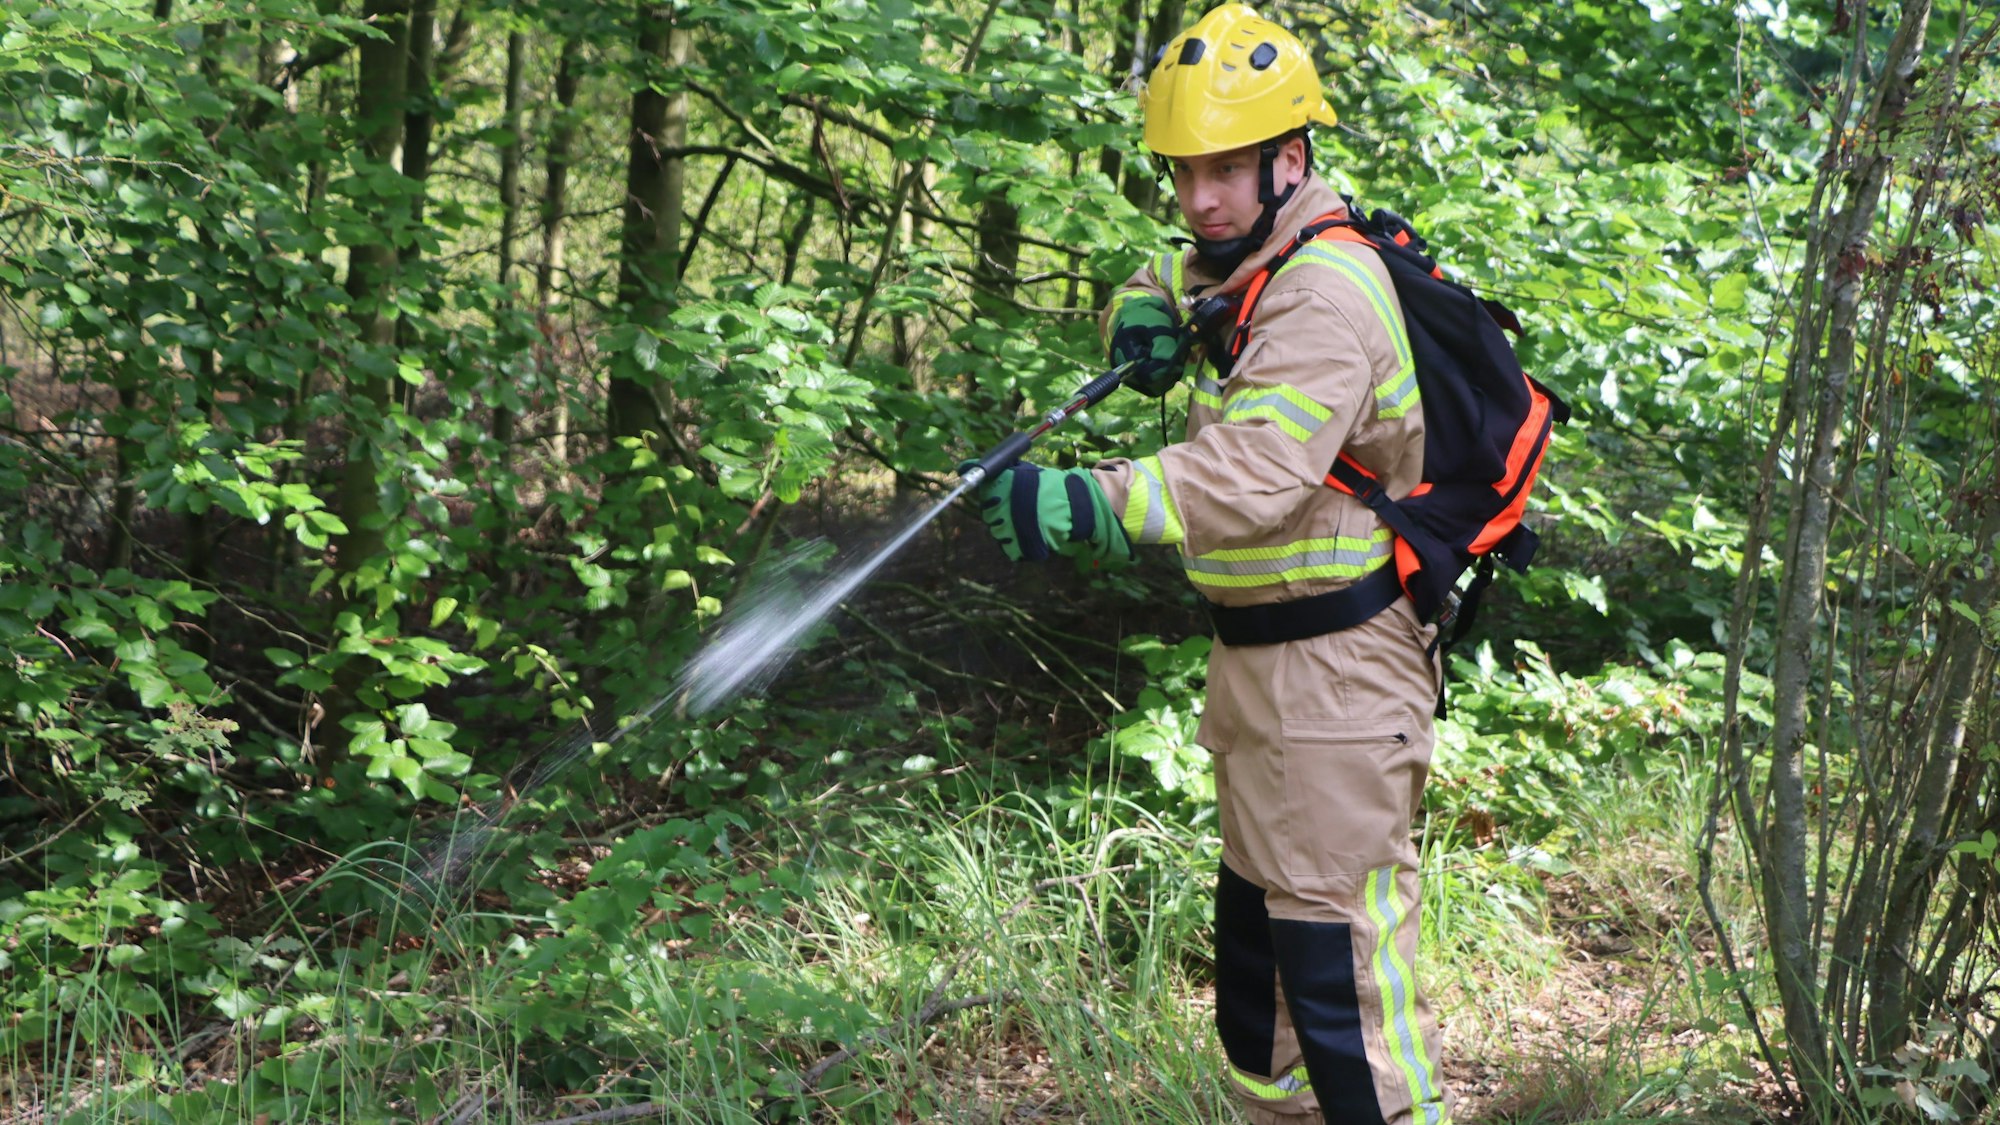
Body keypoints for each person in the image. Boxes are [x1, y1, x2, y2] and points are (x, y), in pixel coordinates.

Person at [971, 5, 1452, 1123]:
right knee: (1259, 979)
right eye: (1183, 172)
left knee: (1338, 989)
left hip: (1338, 676)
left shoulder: (1323, 295)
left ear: (1291, 160)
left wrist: (1085, 501)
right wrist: (1142, 309)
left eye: (1226, 170)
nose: (1200, 199)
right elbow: (1169, 265)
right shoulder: (1248, 259)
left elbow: (1254, 474)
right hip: (1263, 675)